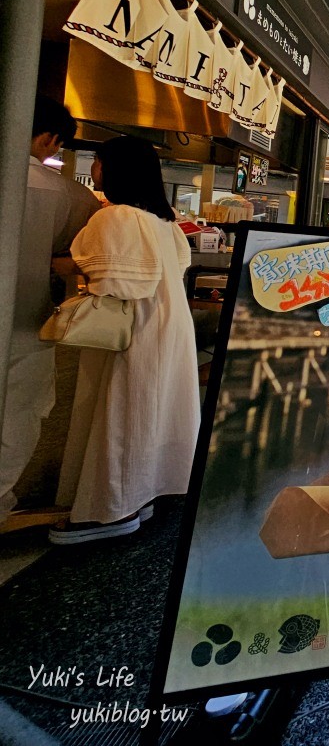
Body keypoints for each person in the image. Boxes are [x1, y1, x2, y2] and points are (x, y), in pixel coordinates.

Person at [50, 136, 201, 543]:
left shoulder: (116, 217)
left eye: (97, 162)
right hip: (168, 326)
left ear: (111, 169)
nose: (95, 168)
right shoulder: (166, 222)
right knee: (150, 411)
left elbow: (111, 279)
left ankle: (109, 510)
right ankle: (140, 495)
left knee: (122, 413)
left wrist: (55, 261)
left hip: (134, 328)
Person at [0, 101, 100, 528]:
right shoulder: (66, 194)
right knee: (20, 414)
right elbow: (84, 252)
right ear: (50, 140)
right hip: (27, 322)